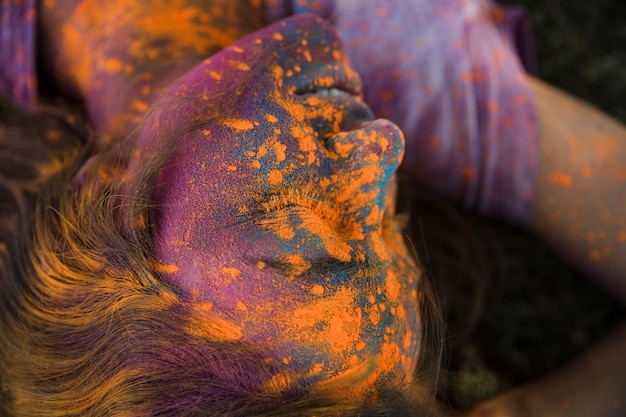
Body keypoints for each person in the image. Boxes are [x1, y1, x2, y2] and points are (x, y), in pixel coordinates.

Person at [0, 0, 624, 416]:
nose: (384, 145)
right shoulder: (426, 84)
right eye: (392, 225)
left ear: (106, 194)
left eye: (296, 218)